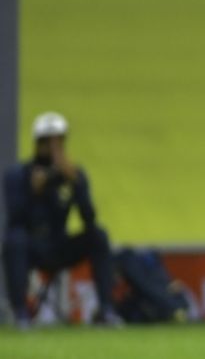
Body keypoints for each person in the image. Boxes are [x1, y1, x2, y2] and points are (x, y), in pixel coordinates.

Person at [3, 112, 122, 328]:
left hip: (61, 244)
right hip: (32, 246)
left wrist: (76, 184)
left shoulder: (72, 175)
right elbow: (16, 219)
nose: (54, 147)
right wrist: (33, 192)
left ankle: (106, 310)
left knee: (98, 235)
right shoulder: (18, 175)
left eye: (58, 141)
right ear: (38, 143)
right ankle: (20, 313)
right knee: (15, 240)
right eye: (48, 141)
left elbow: (89, 218)